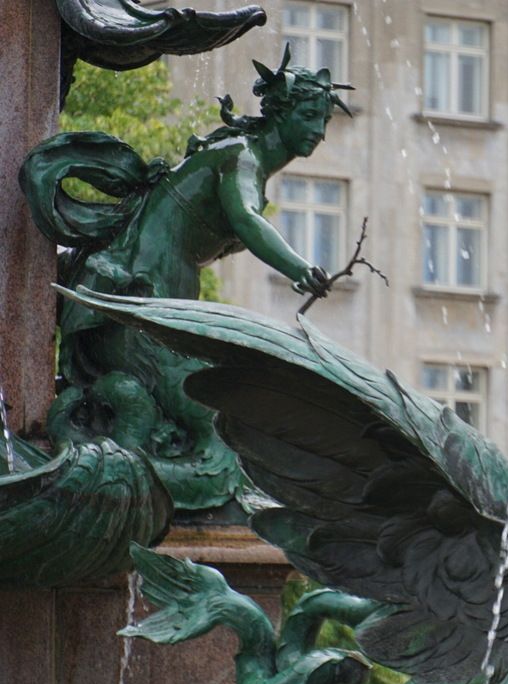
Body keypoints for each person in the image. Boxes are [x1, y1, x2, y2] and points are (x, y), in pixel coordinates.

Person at [19, 46, 348, 510]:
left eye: (324, 121)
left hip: (142, 308)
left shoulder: (238, 157)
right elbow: (248, 221)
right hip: (138, 309)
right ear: (281, 111)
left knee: (226, 416)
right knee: (222, 423)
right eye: (311, 115)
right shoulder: (241, 156)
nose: (318, 131)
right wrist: (297, 267)